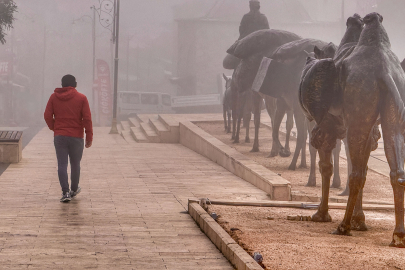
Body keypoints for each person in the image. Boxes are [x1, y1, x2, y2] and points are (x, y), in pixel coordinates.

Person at [44, 74, 93, 202]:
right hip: (76, 137)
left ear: (62, 84)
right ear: (75, 84)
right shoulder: (82, 98)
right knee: (75, 163)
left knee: (62, 164)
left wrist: (55, 128)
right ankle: (74, 189)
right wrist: (89, 136)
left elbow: (47, 115)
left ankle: (65, 192)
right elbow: (87, 119)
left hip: (60, 136)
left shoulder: (54, 97)